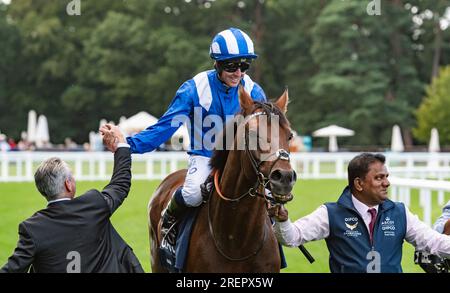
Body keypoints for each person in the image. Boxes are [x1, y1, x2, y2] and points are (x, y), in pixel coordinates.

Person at [104, 27, 266, 244]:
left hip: (240, 160)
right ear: (216, 63)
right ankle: (169, 218)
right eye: (231, 66)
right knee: (192, 194)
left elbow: (267, 135)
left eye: (244, 66)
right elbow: (165, 127)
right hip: (205, 156)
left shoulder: (255, 92)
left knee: (267, 196)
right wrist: (127, 143)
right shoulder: (194, 89)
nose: (238, 73)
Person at [271, 153, 450, 273]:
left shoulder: (400, 212)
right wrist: (283, 221)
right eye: (379, 178)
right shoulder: (330, 213)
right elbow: (291, 238)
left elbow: (433, 241)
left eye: (387, 176)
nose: (386, 183)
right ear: (359, 184)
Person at [0, 124, 144, 273]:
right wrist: (121, 144)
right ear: (68, 184)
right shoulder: (93, 204)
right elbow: (120, 185)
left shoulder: (31, 228)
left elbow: (11, 269)